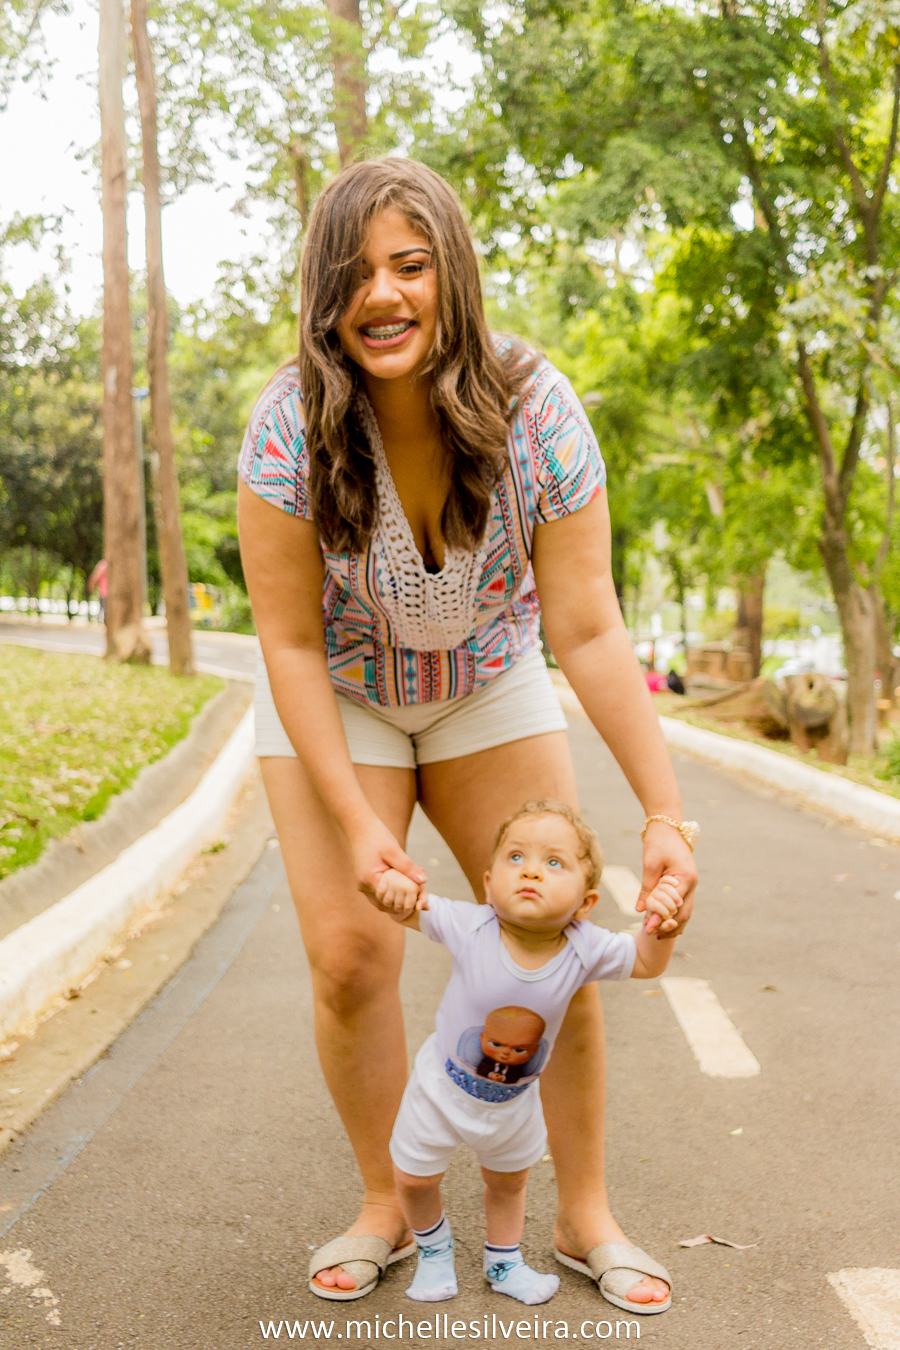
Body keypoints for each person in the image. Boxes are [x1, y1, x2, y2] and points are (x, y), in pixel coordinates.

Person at [237, 156, 698, 1308]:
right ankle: (388, 1206)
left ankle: (585, 1214)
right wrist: (355, 823)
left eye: (409, 265)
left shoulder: (537, 409)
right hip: (340, 690)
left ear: (454, 275)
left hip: (489, 680)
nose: (381, 296)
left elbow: (588, 629)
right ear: (322, 295)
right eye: (353, 274)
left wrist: (663, 816)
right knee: (353, 957)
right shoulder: (288, 427)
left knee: (553, 942)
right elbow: (289, 645)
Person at [370, 800, 681, 1312]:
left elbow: (645, 962)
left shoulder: (584, 947)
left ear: (586, 902)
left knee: (509, 1183)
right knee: (413, 1176)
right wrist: (395, 891)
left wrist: (663, 926)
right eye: (517, 858)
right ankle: (433, 1250)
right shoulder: (470, 925)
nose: (532, 869)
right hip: (439, 1088)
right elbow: (407, 907)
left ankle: (504, 1261)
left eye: (555, 863)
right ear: (489, 882)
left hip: (514, 1105)